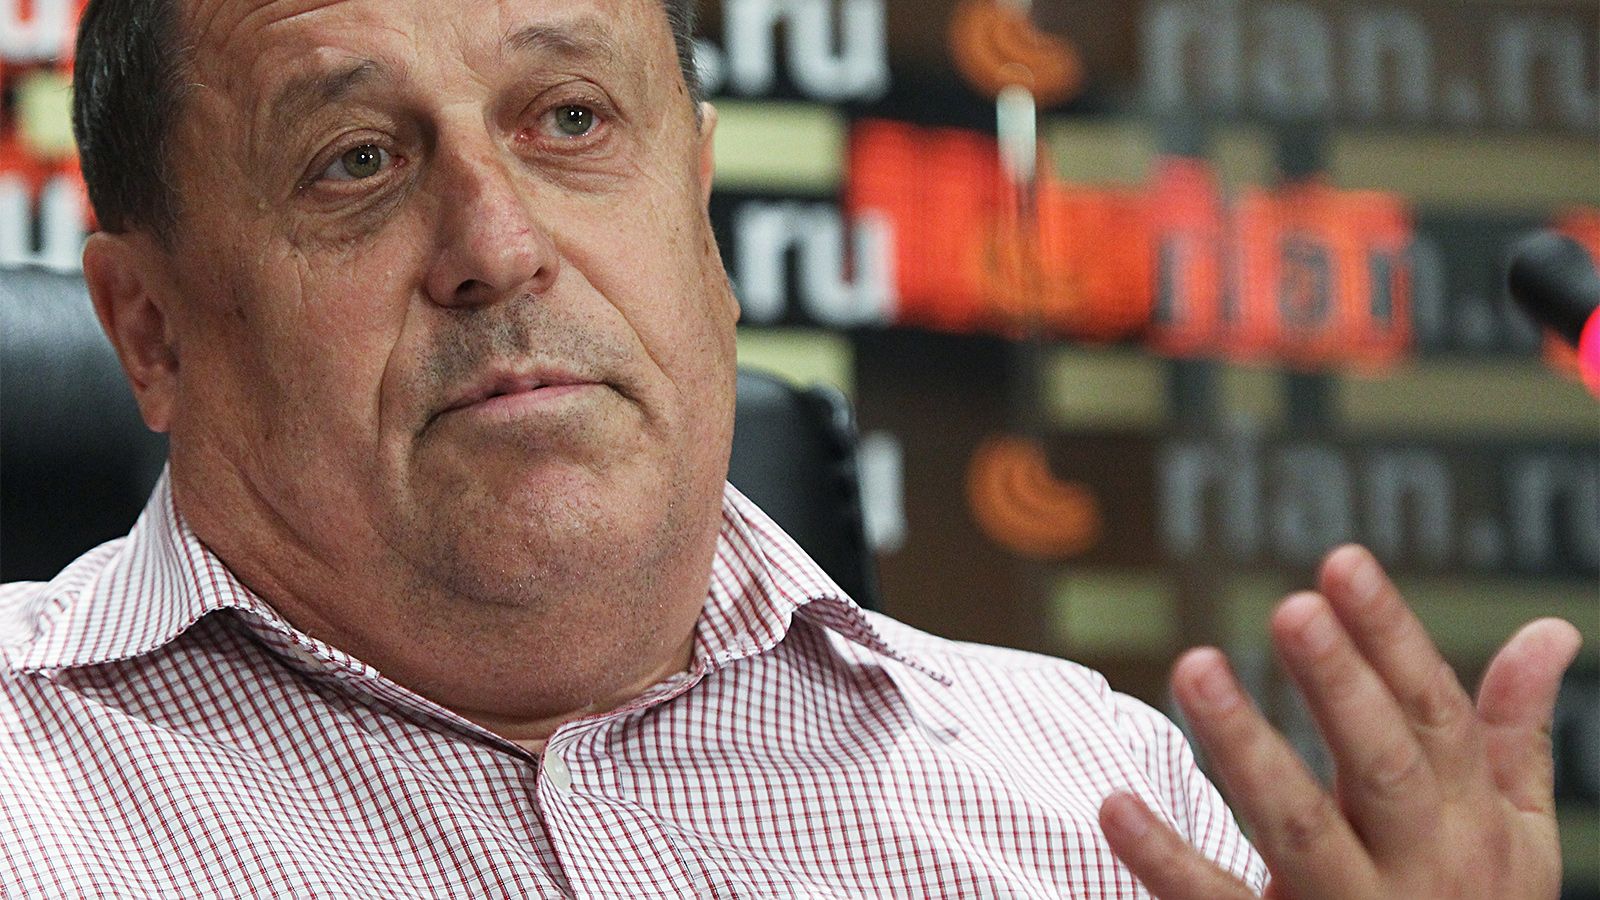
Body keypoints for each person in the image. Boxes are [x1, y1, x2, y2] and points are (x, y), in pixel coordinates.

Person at [0, 0, 1580, 896]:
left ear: (700, 209)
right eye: (355, 160)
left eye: (570, 122)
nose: (498, 244)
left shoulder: (1098, 795)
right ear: (152, 330)